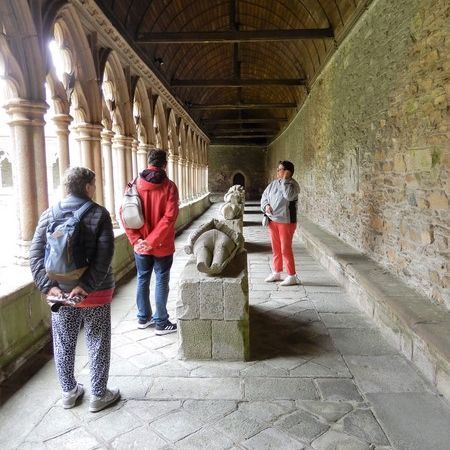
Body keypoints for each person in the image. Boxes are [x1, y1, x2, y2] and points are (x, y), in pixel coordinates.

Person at [30, 167, 120, 413]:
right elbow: (104, 257)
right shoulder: (100, 214)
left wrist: (49, 287)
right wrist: (86, 287)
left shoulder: (49, 214)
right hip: (96, 293)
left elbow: (35, 254)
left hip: (60, 292)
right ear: (88, 187)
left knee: (63, 341)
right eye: (94, 184)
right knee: (98, 341)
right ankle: (98, 395)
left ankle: (69, 392)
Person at [120, 148, 179, 334]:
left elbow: (125, 214)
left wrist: (137, 240)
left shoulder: (133, 185)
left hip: (140, 246)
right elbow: (169, 217)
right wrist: (152, 241)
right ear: (165, 164)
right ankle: (161, 322)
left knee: (142, 279)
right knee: (161, 280)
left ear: (148, 162)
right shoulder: (169, 186)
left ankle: (143, 317)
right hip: (162, 246)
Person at [261, 160, 301, 286]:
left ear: (288, 172)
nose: (278, 172)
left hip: (286, 221)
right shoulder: (273, 184)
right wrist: (266, 205)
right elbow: (264, 196)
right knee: (276, 248)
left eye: (281, 170)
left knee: (285, 249)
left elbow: (288, 196)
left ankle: (291, 275)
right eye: (278, 169)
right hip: (273, 220)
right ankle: (277, 272)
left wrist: (285, 180)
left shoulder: (293, 186)